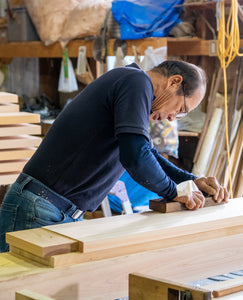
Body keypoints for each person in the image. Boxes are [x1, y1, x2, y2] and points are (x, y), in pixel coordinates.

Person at [0, 60, 228, 252]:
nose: (171, 118)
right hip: (40, 208)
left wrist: (189, 181)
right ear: (174, 82)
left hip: (51, 209)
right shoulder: (136, 82)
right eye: (180, 110)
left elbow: (144, 151)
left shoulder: (132, 84)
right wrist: (173, 191)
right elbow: (135, 157)